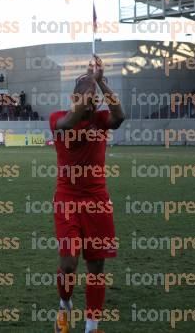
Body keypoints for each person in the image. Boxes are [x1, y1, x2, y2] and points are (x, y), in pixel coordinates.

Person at [50, 56, 125, 333]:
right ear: (75, 97)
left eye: (95, 96)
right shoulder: (59, 119)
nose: (93, 100)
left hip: (97, 202)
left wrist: (102, 82)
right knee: (69, 264)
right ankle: (64, 306)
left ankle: (92, 325)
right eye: (87, 94)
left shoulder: (102, 119)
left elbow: (121, 116)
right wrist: (90, 84)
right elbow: (69, 123)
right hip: (67, 201)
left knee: (96, 267)